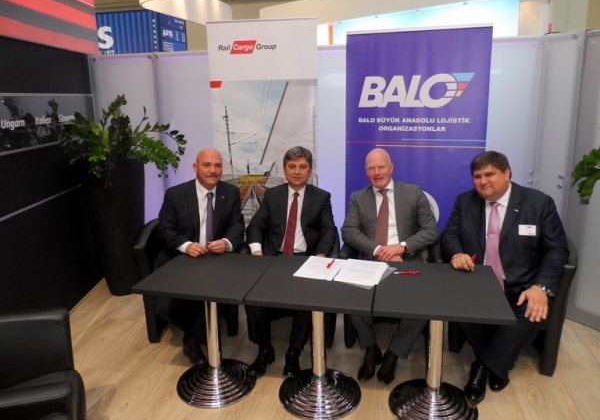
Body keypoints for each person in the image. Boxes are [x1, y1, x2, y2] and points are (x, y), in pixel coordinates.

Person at [440, 150, 568, 404]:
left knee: (531, 312)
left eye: (489, 174)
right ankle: (499, 364)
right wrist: (456, 254)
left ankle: (482, 367)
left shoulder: (538, 202)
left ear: (507, 173)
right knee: (459, 304)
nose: (482, 181)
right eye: (477, 176)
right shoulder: (465, 201)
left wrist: (541, 287)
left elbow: (557, 249)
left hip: (524, 286)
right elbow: (449, 235)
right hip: (479, 282)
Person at [341, 148, 439, 385]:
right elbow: (349, 231)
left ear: (391, 168)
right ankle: (371, 349)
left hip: (406, 260)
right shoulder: (358, 197)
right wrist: (378, 250)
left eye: (381, 167)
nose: (376, 172)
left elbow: (431, 231)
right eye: (371, 168)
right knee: (351, 294)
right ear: (366, 172)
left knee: (423, 300)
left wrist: (401, 247)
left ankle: (394, 353)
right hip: (371, 259)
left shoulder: (414, 193)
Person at [245, 146, 337, 377]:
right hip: (273, 258)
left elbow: (329, 230)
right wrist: (257, 253)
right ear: (285, 170)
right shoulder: (272, 195)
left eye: (302, 167)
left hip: (305, 259)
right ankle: (265, 350)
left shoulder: (321, 197)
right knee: (253, 296)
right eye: (292, 166)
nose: (297, 172)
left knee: (308, 297)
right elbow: (256, 225)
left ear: (310, 170)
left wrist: (320, 255)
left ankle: (294, 353)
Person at [154, 148, 245, 366]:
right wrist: (186, 246)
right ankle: (202, 328)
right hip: (181, 259)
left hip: (217, 261)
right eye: (207, 165)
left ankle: (193, 340)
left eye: (217, 166)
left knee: (215, 296)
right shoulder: (175, 194)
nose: (213, 170)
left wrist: (227, 242)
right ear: (195, 167)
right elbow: (164, 229)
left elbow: (237, 226)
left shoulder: (231, 193)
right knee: (164, 308)